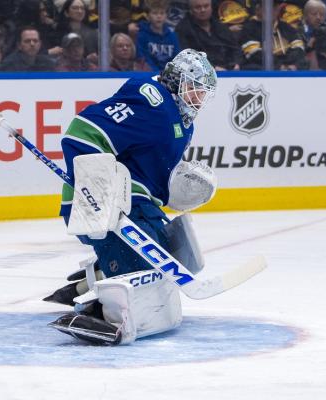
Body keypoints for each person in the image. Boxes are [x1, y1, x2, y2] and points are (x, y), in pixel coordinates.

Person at [47, 49, 218, 345]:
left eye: (202, 92)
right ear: (176, 80)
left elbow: (150, 163)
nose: (198, 99)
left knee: (175, 255)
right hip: (108, 202)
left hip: (140, 204)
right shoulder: (152, 102)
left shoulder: (181, 118)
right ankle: (102, 309)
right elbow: (81, 132)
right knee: (153, 263)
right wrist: (97, 190)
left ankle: (96, 277)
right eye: (194, 88)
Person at [239, 0, 307, 70]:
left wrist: (290, 65)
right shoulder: (249, 28)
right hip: (262, 73)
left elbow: (299, 48)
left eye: (275, 6)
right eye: (267, 6)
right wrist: (279, 66)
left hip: (288, 66)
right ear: (258, 9)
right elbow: (254, 54)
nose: (272, 9)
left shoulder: (286, 27)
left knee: (303, 63)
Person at [175, 0, 242, 70]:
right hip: (200, 73)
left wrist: (237, 63)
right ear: (191, 10)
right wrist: (212, 67)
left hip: (229, 70)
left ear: (211, 7)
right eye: (198, 7)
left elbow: (235, 48)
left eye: (206, 6)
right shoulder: (183, 29)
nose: (203, 10)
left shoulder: (220, 26)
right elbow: (186, 56)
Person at [136, 0, 181, 71]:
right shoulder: (142, 35)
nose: (159, 16)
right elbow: (143, 57)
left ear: (166, 16)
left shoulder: (172, 36)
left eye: (162, 13)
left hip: (169, 74)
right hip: (149, 73)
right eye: (155, 13)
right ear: (148, 16)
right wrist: (156, 72)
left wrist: (168, 72)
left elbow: (177, 57)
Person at [301, 0, 326, 70]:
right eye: (314, 14)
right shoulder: (297, 31)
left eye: (322, 15)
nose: (318, 17)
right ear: (305, 15)